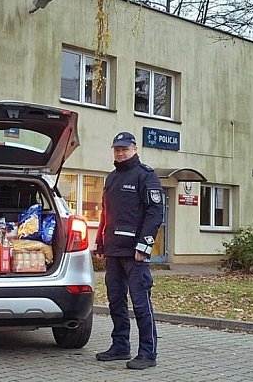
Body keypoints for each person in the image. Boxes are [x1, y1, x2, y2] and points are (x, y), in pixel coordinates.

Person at [93, 131, 163, 370]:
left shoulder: (146, 176)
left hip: (135, 253)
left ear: (134, 149)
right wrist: (100, 242)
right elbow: (105, 213)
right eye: (117, 149)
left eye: (125, 148)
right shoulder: (111, 179)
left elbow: (155, 213)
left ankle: (148, 353)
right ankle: (120, 346)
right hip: (114, 251)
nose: (120, 152)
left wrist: (144, 246)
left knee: (141, 303)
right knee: (116, 301)